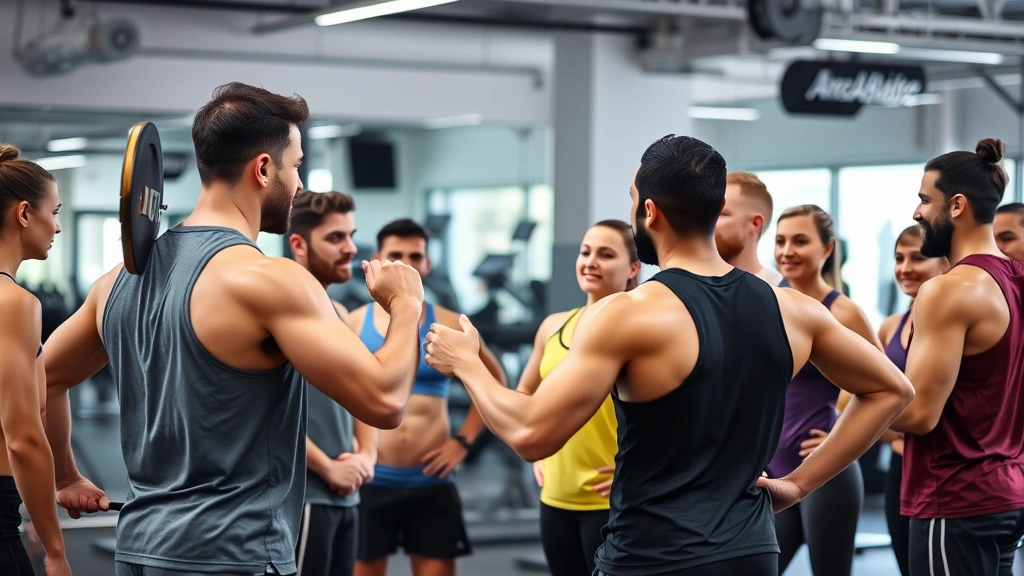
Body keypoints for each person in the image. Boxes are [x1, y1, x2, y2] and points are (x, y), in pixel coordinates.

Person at [421, 134, 914, 576]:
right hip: (751, 554)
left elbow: (531, 434)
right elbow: (892, 388)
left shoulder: (629, 313)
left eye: (634, 201)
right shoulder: (792, 309)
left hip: (654, 557)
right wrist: (799, 485)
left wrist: (466, 362)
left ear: (650, 212)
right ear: (715, 205)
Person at [41, 82, 425, 576]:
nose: (301, 183)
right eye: (296, 164)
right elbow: (386, 402)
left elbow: (44, 377)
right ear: (264, 169)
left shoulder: (116, 281)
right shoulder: (271, 279)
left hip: (139, 551)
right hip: (233, 555)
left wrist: (67, 476)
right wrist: (406, 304)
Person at [890, 138, 1024, 576]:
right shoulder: (1017, 279)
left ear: (957, 205)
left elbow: (920, 413)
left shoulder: (948, 289)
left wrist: (852, 394)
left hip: (953, 497)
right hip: (1006, 494)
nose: (916, 213)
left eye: (924, 200)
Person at [351, 218, 506, 576]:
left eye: (415, 255)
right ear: (378, 259)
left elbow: (494, 382)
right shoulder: (355, 323)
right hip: (372, 482)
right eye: (396, 254)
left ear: (427, 263)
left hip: (432, 483)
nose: (406, 263)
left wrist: (463, 442)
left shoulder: (451, 322)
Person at [517, 220, 640, 576]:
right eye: (586, 252)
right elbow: (526, 392)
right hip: (554, 497)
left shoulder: (637, 330)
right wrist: (536, 447)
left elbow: (679, 417)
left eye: (606, 254)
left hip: (612, 502)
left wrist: (639, 468)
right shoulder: (552, 326)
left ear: (633, 268)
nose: (590, 262)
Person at [768, 204, 881, 576]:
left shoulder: (843, 312)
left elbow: (884, 389)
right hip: (772, 471)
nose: (787, 251)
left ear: (827, 249)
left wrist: (839, 434)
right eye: (781, 241)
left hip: (826, 475)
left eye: (800, 241)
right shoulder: (766, 302)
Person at [286, 190, 377, 576]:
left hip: (346, 497)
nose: (351, 248)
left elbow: (366, 392)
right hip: (306, 496)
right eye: (336, 238)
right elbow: (266, 413)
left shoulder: (338, 311)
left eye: (350, 235)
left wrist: (367, 456)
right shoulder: (285, 308)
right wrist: (327, 467)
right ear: (298, 244)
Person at [0, 145, 71, 576]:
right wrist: (55, 548)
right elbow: (23, 435)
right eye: (55, 211)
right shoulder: (14, 303)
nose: (58, 226)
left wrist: (67, 478)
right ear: (24, 213)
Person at [875, 224, 949, 576]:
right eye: (898, 258)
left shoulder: (952, 323)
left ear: (945, 264)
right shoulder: (890, 326)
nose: (905, 267)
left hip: (940, 470)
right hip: (898, 469)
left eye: (917, 258)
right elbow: (857, 397)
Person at [715, 171, 783, 285]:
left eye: (721, 214)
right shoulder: (691, 289)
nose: (708, 221)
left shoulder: (783, 296)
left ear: (755, 224)